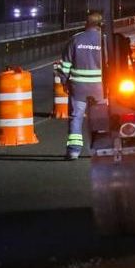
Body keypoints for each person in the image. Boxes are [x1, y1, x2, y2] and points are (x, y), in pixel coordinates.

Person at [57, 10, 104, 160]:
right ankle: (100, 149)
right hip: (100, 89)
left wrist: (64, 81)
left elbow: (65, 65)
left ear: (86, 23)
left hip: (79, 88)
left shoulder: (75, 40)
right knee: (101, 118)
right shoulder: (104, 40)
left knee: (76, 117)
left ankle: (73, 151)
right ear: (100, 25)